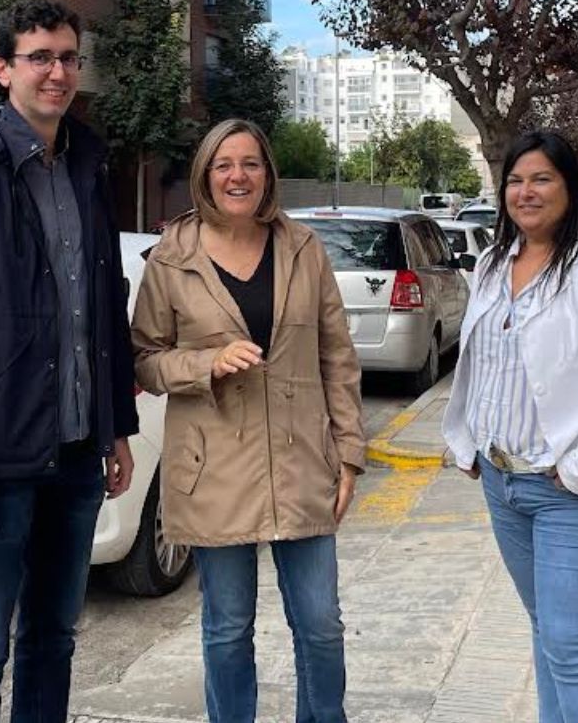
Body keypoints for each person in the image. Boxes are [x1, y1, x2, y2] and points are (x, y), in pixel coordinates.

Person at [0, 0, 138, 722]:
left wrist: (118, 427)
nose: (59, 72)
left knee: (54, 638)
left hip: (75, 455)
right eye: (40, 57)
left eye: (69, 57)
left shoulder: (87, 164)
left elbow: (105, 305)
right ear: (3, 69)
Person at [131, 118, 366, 723]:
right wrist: (207, 362)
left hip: (301, 461)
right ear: (206, 175)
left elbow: (336, 357)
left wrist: (350, 453)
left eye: (251, 163)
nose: (238, 176)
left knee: (320, 625)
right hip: (214, 471)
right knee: (228, 629)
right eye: (224, 165)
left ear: (268, 174)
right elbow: (146, 360)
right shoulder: (171, 257)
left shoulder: (303, 248)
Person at [440, 131, 578, 723]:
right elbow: (480, 360)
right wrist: (465, 439)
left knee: (573, 644)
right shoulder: (491, 263)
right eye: (515, 179)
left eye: (542, 179)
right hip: (504, 483)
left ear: (570, 189)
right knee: (548, 633)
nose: (525, 191)